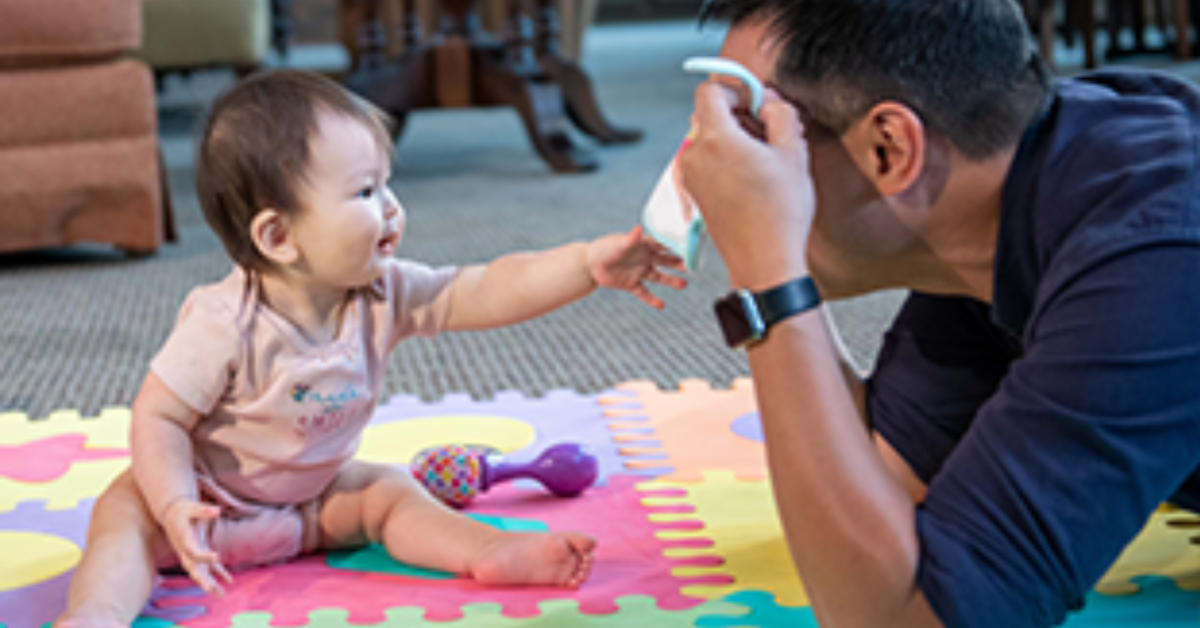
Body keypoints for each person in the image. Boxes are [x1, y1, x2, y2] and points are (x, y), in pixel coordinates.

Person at [56, 69, 686, 628]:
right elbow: (159, 416)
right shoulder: (223, 321)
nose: (391, 209)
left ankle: (485, 551)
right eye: (364, 193)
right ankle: (95, 613)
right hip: (204, 509)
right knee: (124, 517)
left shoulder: (384, 292)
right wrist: (173, 506)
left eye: (387, 186)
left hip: (310, 508)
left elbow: (486, 287)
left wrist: (583, 264)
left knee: (388, 492)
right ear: (278, 235)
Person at [678, 0, 1200, 626]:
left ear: (889, 149)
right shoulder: (1012, 203)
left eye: (751, 132)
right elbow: (882, 489)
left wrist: (767, 276)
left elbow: (905, 617)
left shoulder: (1154, 255)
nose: (712, 168)